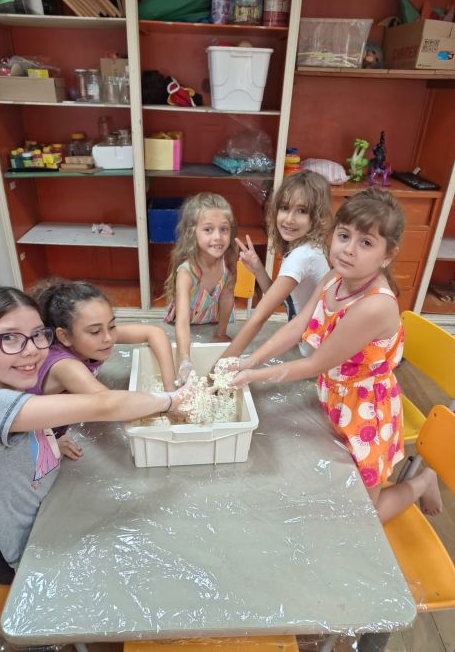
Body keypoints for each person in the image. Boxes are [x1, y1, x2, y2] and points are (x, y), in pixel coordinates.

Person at [230, 187, 442, 524]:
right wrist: (249, 361)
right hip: (334, 394)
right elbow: (298, 325)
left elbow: (315, 363)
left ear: (388, 255)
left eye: (366, 243)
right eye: (344, 236)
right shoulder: (335, 277)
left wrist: (251, 376)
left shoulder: (374, 306)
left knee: (364, 515)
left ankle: (421, 482)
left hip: (366, 412)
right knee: (331, 492)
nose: (348, 249)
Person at [0, 285, 186, 585]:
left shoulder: (6, 385)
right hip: (9, 550)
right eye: (9, 338)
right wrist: (173, 400)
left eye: (37, 334)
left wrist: (47, 440)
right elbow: (105, 405)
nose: (31, 350)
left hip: (38, 515)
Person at [28, 279, 177, 459]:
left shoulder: (92, 339)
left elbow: (154, 332)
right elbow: (110, 405)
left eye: (112, 326)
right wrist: (172, 401)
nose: (108, 338)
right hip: (28, 436)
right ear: (64, 336)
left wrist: (170, 387)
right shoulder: (65, 366)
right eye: (95, 331)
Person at [221, 169, 331, 361]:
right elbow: (283, 300)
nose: (289, 219)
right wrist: (258, 268)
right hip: (309, 346)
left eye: (302, 211)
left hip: (314, 355)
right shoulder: (306, 247)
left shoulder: (302, 256)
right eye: (285, 208)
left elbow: (259, 317)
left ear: (317, 217)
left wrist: (222, 365)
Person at [164, 192, 238, 384]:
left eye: (224, 229)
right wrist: (184, 359)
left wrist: (220, 333)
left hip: (212, 320)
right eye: (208, 229)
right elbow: (182, 321)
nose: (218, 237)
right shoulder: (187, 272)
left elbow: (227, 298)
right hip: (187, 324)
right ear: (192, 232)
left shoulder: (227, 263)